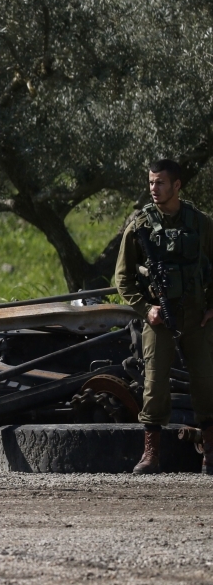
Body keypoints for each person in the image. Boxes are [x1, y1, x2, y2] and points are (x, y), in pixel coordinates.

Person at [114, 159, 213, 474]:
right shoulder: (140, 225)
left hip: (196, 318)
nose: (153, 189)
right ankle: (151, 455)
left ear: (177, 185)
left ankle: (210, 453)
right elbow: (124, 278)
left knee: (206, 384)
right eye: (151, 182)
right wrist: (147, 309)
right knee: (154, 386)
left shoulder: (200, 223)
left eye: (160, 183)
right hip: (158, 317)